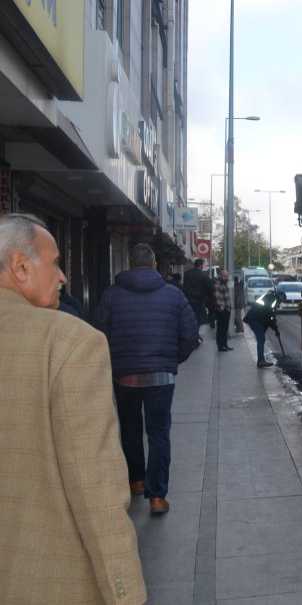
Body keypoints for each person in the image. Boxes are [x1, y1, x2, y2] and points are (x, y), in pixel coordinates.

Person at [0, 214, 146, 604]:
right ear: (20, 266)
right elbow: (95, 489)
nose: (63, 276)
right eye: (55, 263)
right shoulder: (70, 343)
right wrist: (126, 594)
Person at [94, 243, 200, 515]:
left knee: (130, 429)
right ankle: (157, 497)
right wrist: (172, 360)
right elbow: (190, 334)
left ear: (129, 264)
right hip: (161, 377)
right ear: (154, 265)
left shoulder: (111, 295)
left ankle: (137, 481)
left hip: (124, 376)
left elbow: (98, 334)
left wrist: (115, 362)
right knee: (159, 434)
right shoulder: (173, 295)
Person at [244, 289, 280, 368]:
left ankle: (261, 360)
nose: (279, 304)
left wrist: (275, 329)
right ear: (278, 297)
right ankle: (260, 361)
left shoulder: (270, 298)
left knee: (261, 338)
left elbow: (269, 317)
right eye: (280, 301)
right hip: (254, 319)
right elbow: (270, 317)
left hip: (257, 318)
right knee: (261, 338)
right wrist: (276, 329)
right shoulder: (271, 300)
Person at [183, 258, 214, 325]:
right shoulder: (203, 275)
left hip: (188, 300)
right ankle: (196, 333)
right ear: (201, 265)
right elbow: (211, 288)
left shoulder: (186, 274)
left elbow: (184, 287)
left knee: (190, 319)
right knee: (198, 320)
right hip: (199, 301)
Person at [214, 270, 234, 351]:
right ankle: (220, 345)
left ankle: (225, 344)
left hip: (226, 309)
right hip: (221, 309)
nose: (226, 278)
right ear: (221, 276)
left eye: (227, 276)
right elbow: (217, 297)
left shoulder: (225, 284)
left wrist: (228, 308)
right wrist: (222, 308)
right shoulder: (218, 284)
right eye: (225, 276)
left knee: (225, 328)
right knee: (221, 328)